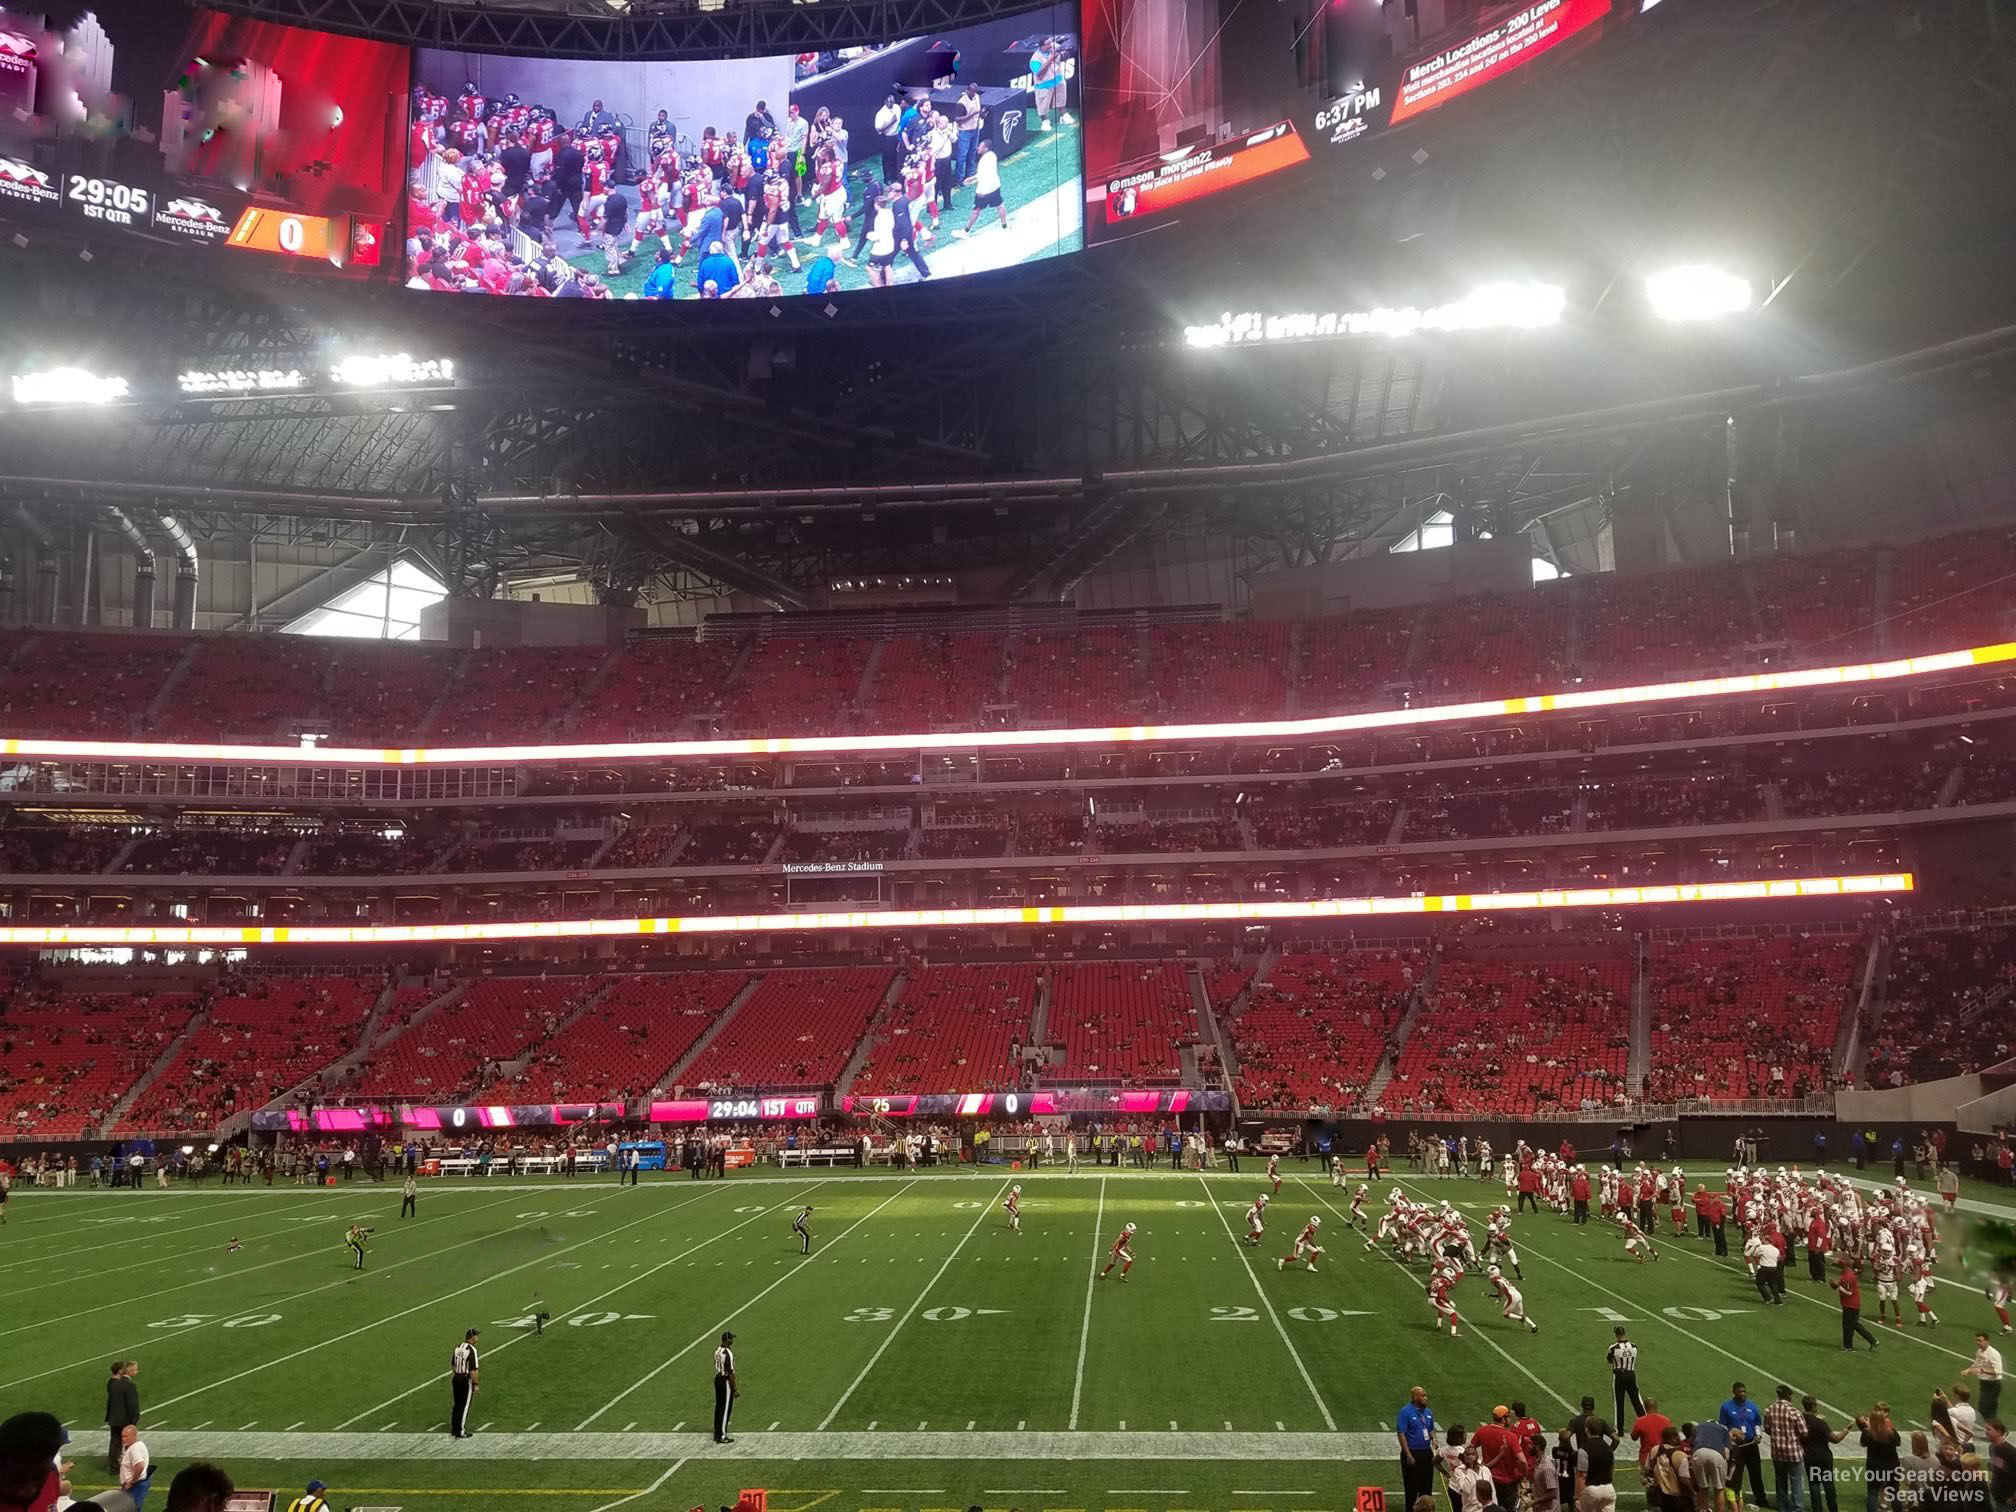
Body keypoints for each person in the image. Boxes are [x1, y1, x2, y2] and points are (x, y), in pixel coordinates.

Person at [1718, 1385, 1767, 1509]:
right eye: (1740, 1391)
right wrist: (1727, 1441)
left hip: (1751, 1444)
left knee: (1755, 1472)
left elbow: (1757, 1423)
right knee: (1736, 1473)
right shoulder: (1726, 1407)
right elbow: (1723, 1426)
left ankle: (1761, 1498)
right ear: (1734, 1392)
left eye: (1744, 1391)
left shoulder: (1752, 1406)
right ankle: (1734, 1499)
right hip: (1737, 1446)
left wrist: (1758, 1436)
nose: (1743, 1394)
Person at [1800, 1398, 1847, 1512]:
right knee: (1828, 1484)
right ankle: (1833, 1509)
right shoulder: (1820, 1424)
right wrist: (1846, 1430)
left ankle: (1817, 1509)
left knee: (1814, 1484)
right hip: (1823, 1456)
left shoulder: (1801, 1420)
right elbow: (1835, 1439)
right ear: (1813, 1406)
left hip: (1809, 1456)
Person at [1763, 1386, 1806, 1512]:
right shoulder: (1794, 1412)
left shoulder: (1769, 1410)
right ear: (1788, 1396)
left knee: (1780, 1481)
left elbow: (1767, 1429)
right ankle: (1797, 1507)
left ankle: (1782, 1507)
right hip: (1793, 1452)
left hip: (1777, 1452)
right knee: (1796, 1482)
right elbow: (1804, 1432)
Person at [955, 141, 1008, 239]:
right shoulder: (992, 156)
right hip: (995, 186)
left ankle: (966, 231)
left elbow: (983, 176)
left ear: (986, 148)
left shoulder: (984, 161)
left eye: (980, 146)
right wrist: (973, 178)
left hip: (984, 190)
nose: (978, 147)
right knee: (999, 205)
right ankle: (1004, 226)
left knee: (976, 210)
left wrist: (977, 188)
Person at [1400, 1386, 1439, 1510]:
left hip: (1426, 1453)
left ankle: (1427, 1509)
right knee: (1411, 1486)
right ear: (1415, 1397)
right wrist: (1408, 1455)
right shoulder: (1405, 1412)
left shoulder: (1428, 1412)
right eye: (1423, 1396)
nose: (1425, 1398)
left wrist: (1434, 1439)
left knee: (1427, 1485)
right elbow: (1401, 1434)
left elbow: (1430, 1429)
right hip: (1412, 1453)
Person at [1854, 1405, 1899, 1512]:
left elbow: (1862, 1443)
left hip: (1874, 1467)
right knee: (1894, 1494)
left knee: (1872, 1494)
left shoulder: (1868, 1432)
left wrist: (1868, 1427)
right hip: (1891, 1466)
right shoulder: (1891, 1432)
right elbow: (1898, 1442)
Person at [1609, 1328, 1645, 1431]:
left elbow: (1609, 1360)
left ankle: (1619, 1429)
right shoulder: (1634, 1346)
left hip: (1619, 1375)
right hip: (1631, 1374)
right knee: (1636, 1400)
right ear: (1624, 1333)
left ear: (1616, 1335)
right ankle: (1644, 1422)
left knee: (1619, 1402)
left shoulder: (1613, 1348)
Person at [1965, 1332, 2005, 1420]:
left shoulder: (1994, 1354)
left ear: (1987, 1341)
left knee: (1986, 1408)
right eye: (1977, 1341)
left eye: (1980, 1341)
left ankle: (1995, 1427)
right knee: (1986, 1408)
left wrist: (1983, 1370)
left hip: (1993, 1384)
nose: (1978, 1342)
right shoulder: (1979, 1351)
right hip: (1984, 1383)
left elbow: (1998, 1371)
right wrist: (1969, 1369)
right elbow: (1977, 1363)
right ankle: (1992, 1426)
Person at [449, 1328, 479, 1438]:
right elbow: (473, 1370)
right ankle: (460, 1431)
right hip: (465, 1380)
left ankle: (454, 1428)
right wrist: (475, 1384)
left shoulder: (457, 1347)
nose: (477, 1338)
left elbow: (453, 1365)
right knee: (464, 1405)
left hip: (456, 1377)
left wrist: (457, 1374)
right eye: (476, 1336)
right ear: (472, 1337)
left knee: (456, 1404)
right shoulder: (472, 1350)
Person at [712, 1330, 738, 1444]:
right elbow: (731, 1373)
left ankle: (717, 1431)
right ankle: (722, 1435)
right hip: (725, 1381)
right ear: (727, 1340)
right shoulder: (728, 1353)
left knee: (718, 1407)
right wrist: (735, 1389)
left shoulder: (718, 1350)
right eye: (731, 1338)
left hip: (717, 1378)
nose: (732, 1340)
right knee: (725, 1408)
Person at [117, 1426, 151, 1512]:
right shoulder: (138, 1446)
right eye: (122, 1436)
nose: (123, 1439)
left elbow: (140, 1466)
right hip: (137, 1484)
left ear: (134, 1436)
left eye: (126, 1436)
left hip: (135, 1485)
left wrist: (132, 1481)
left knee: (131, 1509)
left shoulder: (134, 1449)